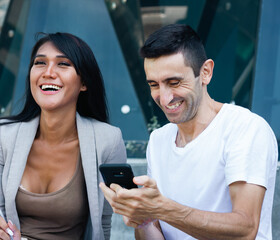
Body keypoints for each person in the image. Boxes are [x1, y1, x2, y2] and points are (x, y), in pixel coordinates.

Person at [100, 24, 278, 239]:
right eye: (154, 85)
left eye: (174, 82)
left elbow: (244, 229)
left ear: (205, 72)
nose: (164, 99)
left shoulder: (245, 128)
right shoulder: (159, 140)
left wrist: (162, 209)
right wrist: (143, 220)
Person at [0, 32, 127, 240]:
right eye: (40, 63)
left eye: (63, 64)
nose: (48, 72)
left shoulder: (107, 140)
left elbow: (102, 226)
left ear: (84, 82)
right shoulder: (1, 136)